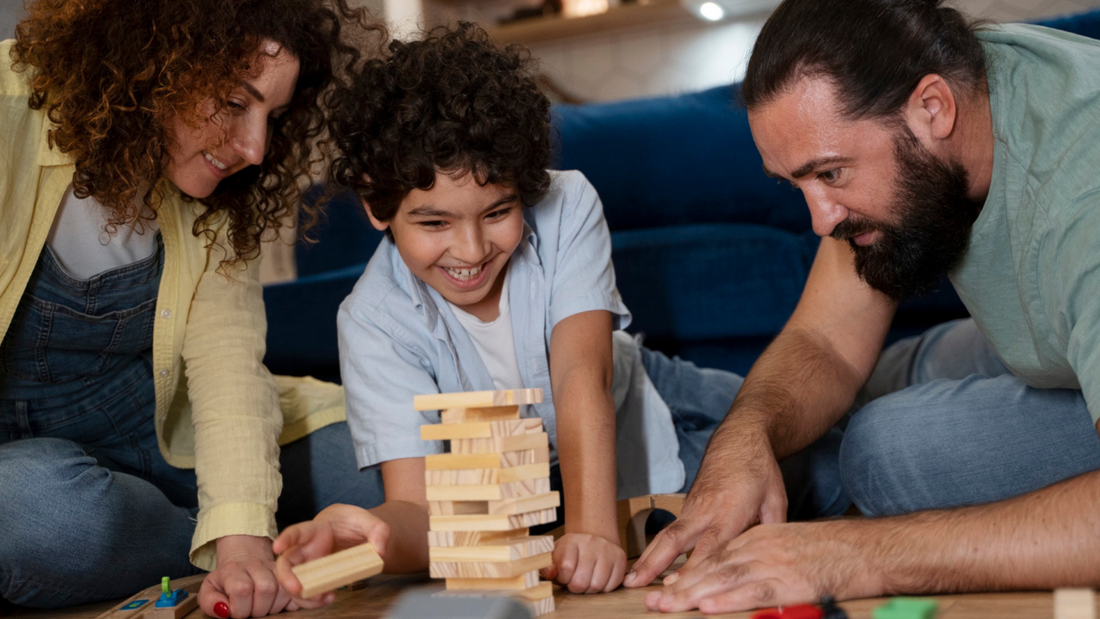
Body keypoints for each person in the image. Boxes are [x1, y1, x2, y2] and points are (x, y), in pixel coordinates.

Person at [270, 23, 846, 602]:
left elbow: (579, 375)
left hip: (645, 401)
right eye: (435, 223)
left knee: (828, 463)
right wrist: (368, 539)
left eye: (498, 211)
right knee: (760, 510)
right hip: (529, 485)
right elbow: (421, 509)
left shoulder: (568, 202)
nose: (471, 251)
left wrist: (592, 529)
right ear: (376, 203)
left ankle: (899, 367)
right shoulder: (371, 321)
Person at [623, 0, 1100, 612]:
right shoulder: (959, 76)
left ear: (934, 108)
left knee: (886, 450)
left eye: (831, 174)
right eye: (798, 185)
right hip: (1052, 337)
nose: (820, 221)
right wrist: (743, 440)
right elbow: (826, 340)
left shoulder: (1081, 196)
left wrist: (853, 553)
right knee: (864, 388)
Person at [0, 1, 386, 616]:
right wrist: (235, 544)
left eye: (273, 116)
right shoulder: (5, 110)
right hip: (26, 465)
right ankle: (215, 541)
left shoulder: (222, 198)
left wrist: (242, 539)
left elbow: (228, 366)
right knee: (36, 515)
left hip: (167, 431)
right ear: (153, 61)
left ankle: (226, 535)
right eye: (235, 104)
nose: (256, 149)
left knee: (392, 478)